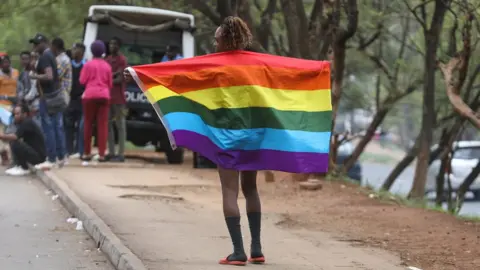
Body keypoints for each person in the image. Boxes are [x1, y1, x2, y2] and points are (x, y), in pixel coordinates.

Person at [124, 16, 264, 266]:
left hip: (227, 136)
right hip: (252, 134)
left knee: (230, 192)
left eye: (217, 38)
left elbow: (177, 76)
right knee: (251, 188)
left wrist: (138, 74)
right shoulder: (257, 64)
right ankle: (257, 249)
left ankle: (238, 251)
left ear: (226, 40)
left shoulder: (214, 65)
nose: (214, 42)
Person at [29, 33, 67, 170]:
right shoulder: (49, 55)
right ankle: (61, 156)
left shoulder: (45, 56)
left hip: (48, 98)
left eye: (36, 44)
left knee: (48, 128)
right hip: (55, 95)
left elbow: (49, 76)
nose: (34, 47)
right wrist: (34, 66)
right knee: (57, 126)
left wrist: (34, 76)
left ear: (44, 43)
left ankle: (51, 158)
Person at [80, 40, 112, 163]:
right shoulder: (107, 66)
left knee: (88, 123)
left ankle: (87, 153)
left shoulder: (88, 65)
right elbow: (110, 84)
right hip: (104, 95)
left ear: (92, 51)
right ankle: (102, 153)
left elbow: (82, 81)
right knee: (102, 125)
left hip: (90, 95)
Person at [0, 104, 46, 176]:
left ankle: (24, 168)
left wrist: (2, 136)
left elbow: (15, 136)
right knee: (13, 142)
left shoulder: (27, 122)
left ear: (25, 114)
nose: (15, 116)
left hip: (38, 157)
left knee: (15, 142)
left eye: (18, 114)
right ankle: (18, 165)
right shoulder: (22, 123)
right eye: (14, 114)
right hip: (34, 153)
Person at [105, 37, 127, 162]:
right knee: (108, 125)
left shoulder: (122, 60)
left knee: (120, 126)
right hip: (108, 97)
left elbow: (120, 78)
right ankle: (111, 152)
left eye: (114, 44)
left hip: (119, 97)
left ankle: (121, 153)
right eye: (110, 44)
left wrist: (108, 79)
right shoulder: (107, 60)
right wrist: (112, 76)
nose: (111, 46)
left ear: (119, 46)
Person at [65, 43, 86, 158]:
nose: (72, 51)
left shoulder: (86, 65)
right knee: (68, 125)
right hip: (70, 98)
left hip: (81, 99)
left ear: (81, 52)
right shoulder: (69, 65)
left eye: (75, 49)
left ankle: (79, 150)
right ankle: (68, 149)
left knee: (80, 126)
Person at [51, 37, 72, 105]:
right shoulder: (60, 58)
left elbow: (56, 75)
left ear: (55, 47)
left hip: (61, 95)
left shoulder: (63, 60)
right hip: (59, 95)